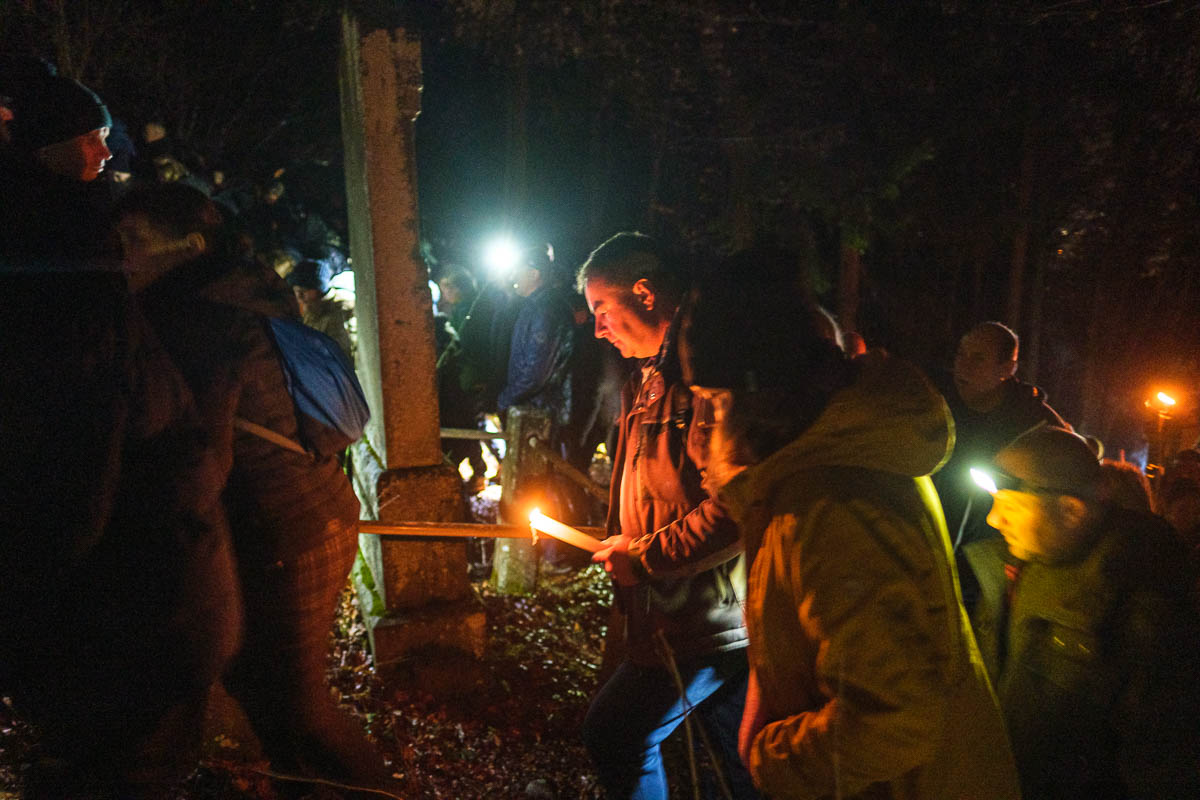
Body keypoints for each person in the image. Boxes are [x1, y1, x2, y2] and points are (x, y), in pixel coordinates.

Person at [678, 246, 1021, 800]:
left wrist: (766, 755)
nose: (700, 436)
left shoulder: (833, 502)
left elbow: (892, 717)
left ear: (756, 399)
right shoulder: (825, 468)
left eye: (713, 404)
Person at [2, 71, 242, 797]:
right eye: (92, 142)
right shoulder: (66, 268)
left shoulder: (65, 279)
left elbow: (68, 486)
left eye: (107, 140)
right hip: (134, 615)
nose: (107, 158)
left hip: (130, 621)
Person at [113, 182, 394, 791]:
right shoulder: (232, 294)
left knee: (300, 705)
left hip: (287, 527)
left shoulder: (202, 321)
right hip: (300, 515)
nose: (121, 254)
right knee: (260, 688)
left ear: (187, 246)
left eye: (134, 240)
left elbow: (203, 456)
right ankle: (308, 786)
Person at [576, 232, 758, 800]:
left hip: (706, 618)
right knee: (737, 758)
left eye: (602, 309)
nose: (598, 328)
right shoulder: (649, 379)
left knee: (615, 735)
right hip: (680, 609)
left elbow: (735, 508)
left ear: (646, 294)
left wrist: (647, 556)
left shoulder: (702, 376)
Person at [964, 425, 1200, 799]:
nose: (994, 520)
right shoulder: (1016, 566)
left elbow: (1162, 759)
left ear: (1071, 512)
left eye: (1009, 505)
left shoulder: (1143, 600)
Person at [931, 321, 1069, 611]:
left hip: (993, 568)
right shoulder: (935, 405)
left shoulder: (1035, 424)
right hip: (930, 552)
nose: (963, 366)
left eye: (978, 358)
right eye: (960, 354)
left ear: (1008, 368)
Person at [286, 256, 356, 360]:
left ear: (319, 289)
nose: (299, 296)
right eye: (296, 291)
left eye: (304, 291)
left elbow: (342, 354)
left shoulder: (340, 310)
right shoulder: (312, 307)